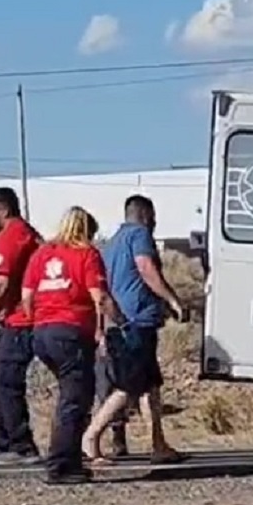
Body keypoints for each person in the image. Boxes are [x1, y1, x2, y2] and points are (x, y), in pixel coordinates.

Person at [87, 195, 187, 465]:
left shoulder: (111, 244)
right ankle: (92, 435)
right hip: (135, 322)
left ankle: (158, 444)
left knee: (149, 385)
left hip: (120, 322)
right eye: (152, 217)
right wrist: (172, 299)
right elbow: (146, 268)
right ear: (145, 214)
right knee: (130, 385)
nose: (154, 222)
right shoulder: (139, 235)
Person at [20, 206, 115, 485]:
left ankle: (68, 459)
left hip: (43, 332)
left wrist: (37, 319)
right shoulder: (86, 254)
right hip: (71, 331)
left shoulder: (42, 254)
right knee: (74, 400)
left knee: (68, 396)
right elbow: (99, 296)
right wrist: (115, 321)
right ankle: (62, 465)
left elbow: (27, 296)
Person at [0, 187, 42, 466]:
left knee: (8, 381)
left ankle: (20, 444)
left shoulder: (10, 237)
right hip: (27, 316)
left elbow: (2, 283)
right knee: (5, 379)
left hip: (19, 319)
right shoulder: (28, 232)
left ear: (2, 209)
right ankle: (6, 441)